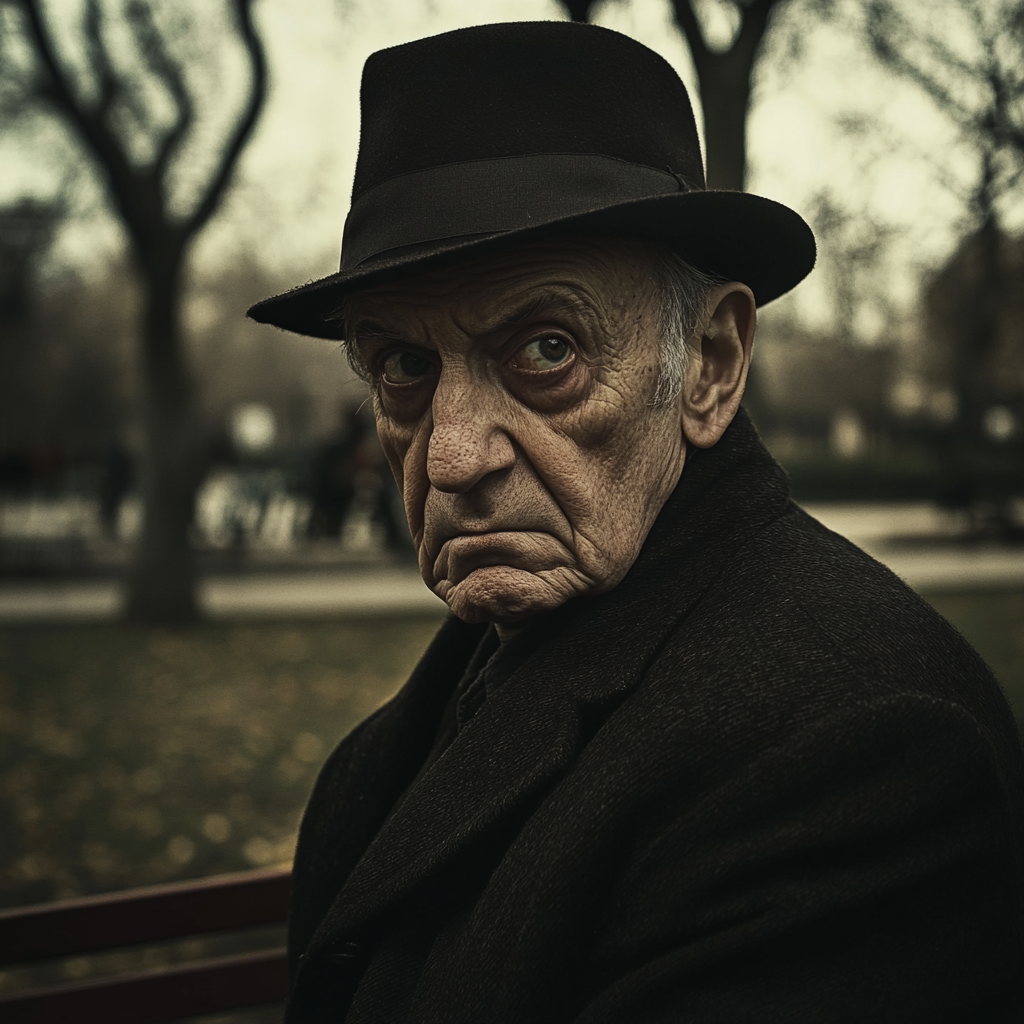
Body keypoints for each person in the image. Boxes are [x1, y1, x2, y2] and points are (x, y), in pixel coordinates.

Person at [249, 22, 1024, 1024]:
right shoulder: (460, 691)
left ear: (708, 363)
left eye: (544, 351)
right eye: (402, 365)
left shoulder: (854, 750)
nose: (450, 458)